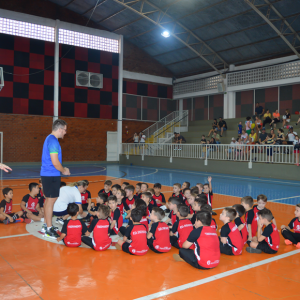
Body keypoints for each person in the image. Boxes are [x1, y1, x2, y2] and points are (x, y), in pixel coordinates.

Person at [40, 119, 70, 239]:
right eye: (65, 130)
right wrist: (64, 170)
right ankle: (48, 229)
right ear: (60, 129)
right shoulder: (53, 141)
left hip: (49, 174)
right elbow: (55, 161)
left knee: (49, 200)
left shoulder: (50, 138)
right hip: (51, 175)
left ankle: (46, 226)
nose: (65, 132)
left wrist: (61, 169)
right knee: (51, 201)